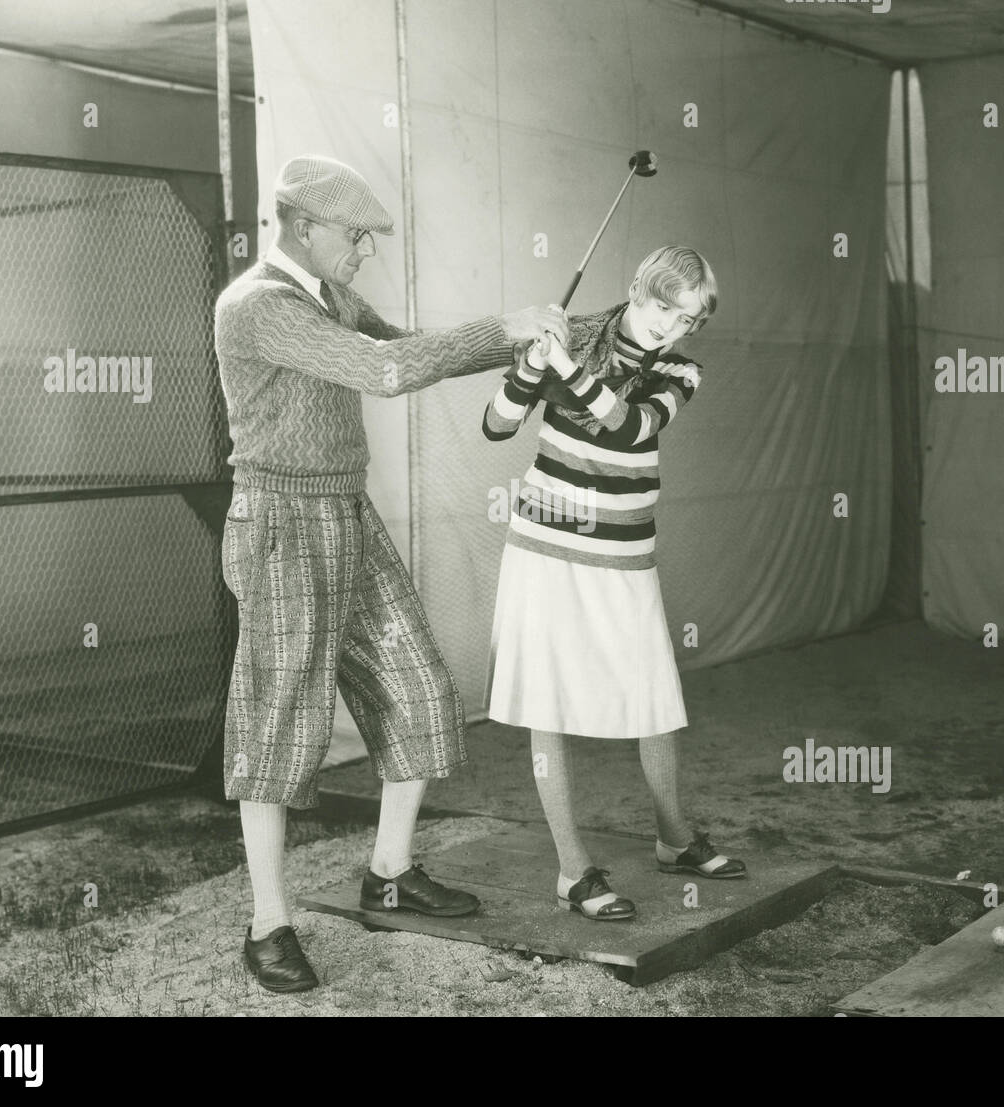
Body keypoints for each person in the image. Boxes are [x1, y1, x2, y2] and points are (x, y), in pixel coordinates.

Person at [216, 154, 567, 992]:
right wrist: (505, 324)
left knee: (416, 689)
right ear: (302, 226)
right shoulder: (259, 305)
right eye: (356, 236)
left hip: (344, 509)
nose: (365, 250)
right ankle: (268, 926)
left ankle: (391, 871)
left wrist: (570, 331)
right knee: (278, 728)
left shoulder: (330, 296)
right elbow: (383, 371)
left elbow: (406, 347)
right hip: (280, 524)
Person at [481, 245, 745, 921]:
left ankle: (671, 834)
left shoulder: (681, 369)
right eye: (663, 306)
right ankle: (573, 871)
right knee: (548, 701)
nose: (671, 326)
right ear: (636, 287)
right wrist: (531, 368)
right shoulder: (575, 334)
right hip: (545, 544)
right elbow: (496, 424)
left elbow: (628, 429)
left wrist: (563, 366)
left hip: (624, 552)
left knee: (652, 695)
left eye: (688, 318)